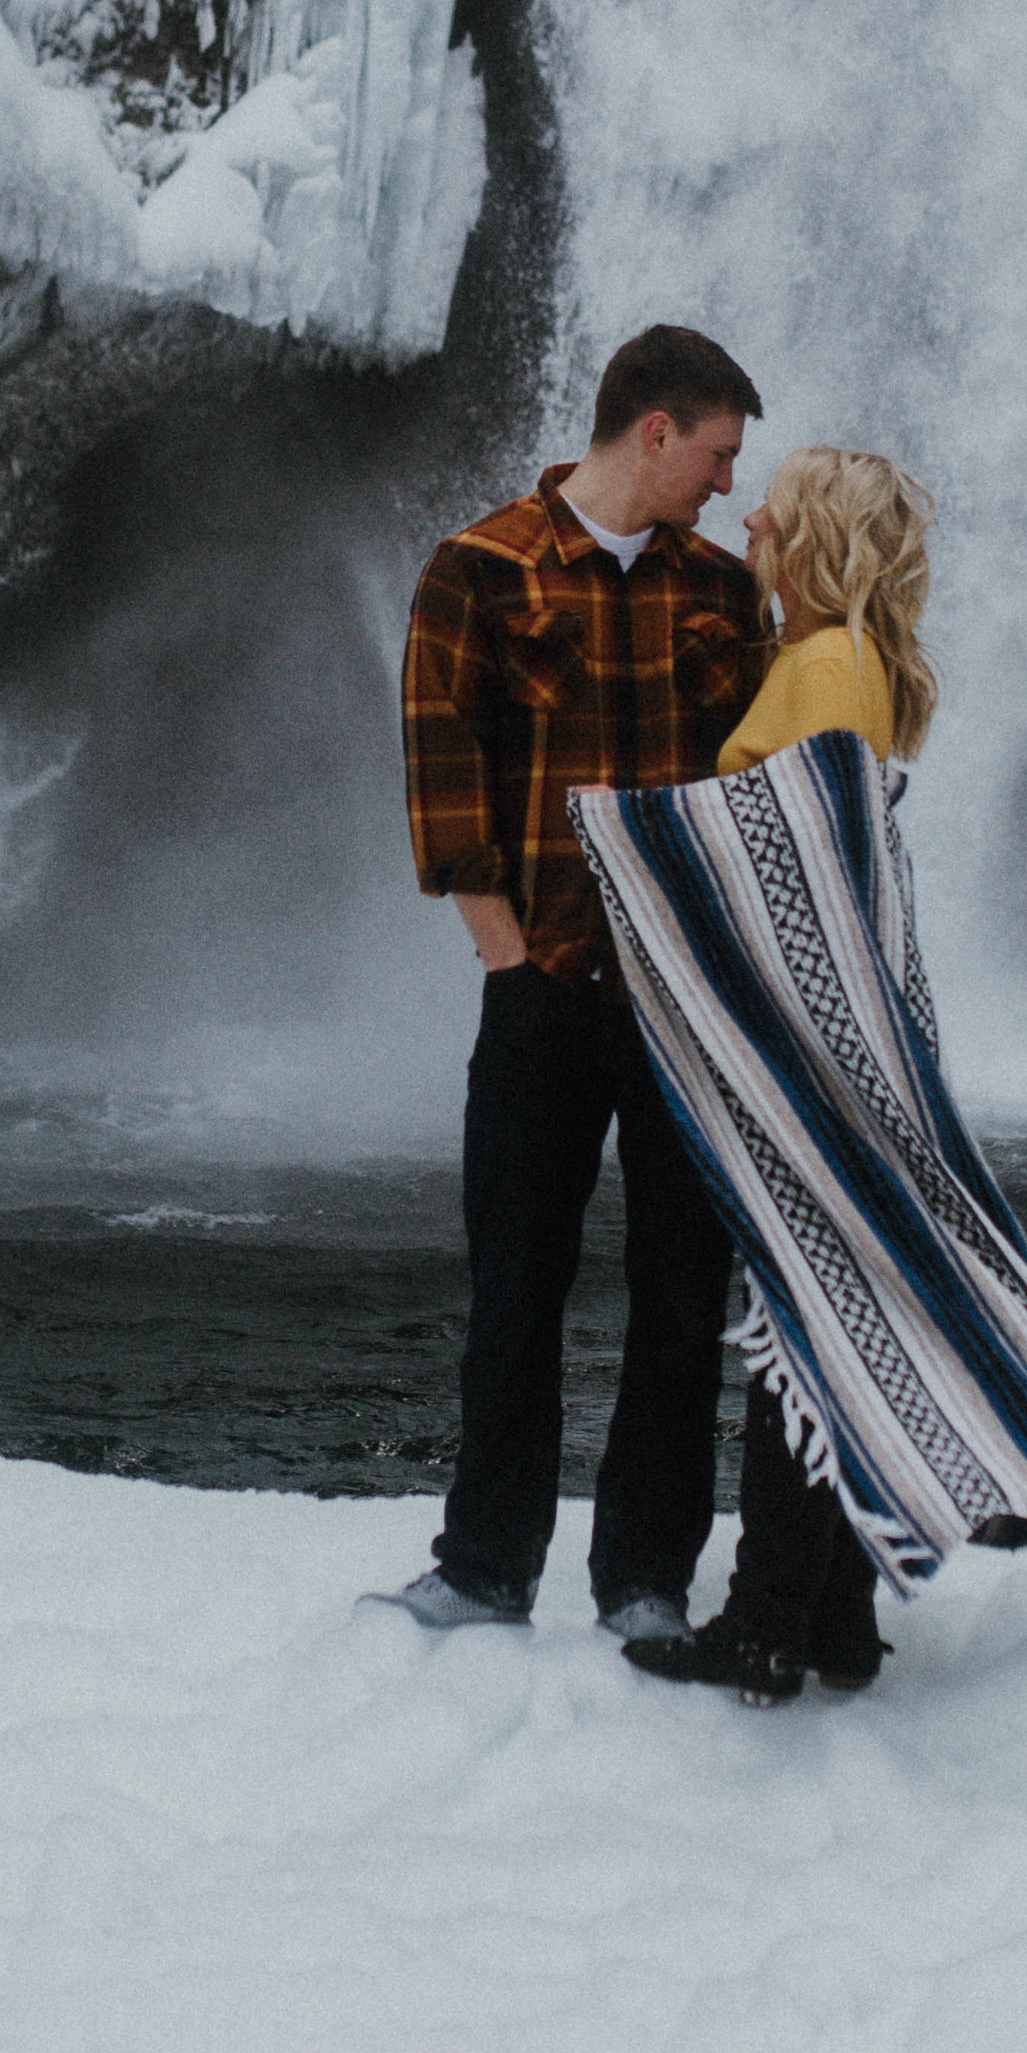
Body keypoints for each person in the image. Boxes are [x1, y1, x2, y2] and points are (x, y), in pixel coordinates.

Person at [363, 324, 773, 1640]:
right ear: (654, 430)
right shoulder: (474, 572)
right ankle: (487, 1566)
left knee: (680, 1295)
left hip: (686, 1004)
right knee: (515, 1287)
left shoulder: (721, 593)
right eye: (716, 453)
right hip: (541, 990)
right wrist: (511, 961)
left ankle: (644, 1577)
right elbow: (442, 785)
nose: (725, 483)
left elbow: (762, 788)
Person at [617, 443, 940, 1705]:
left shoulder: (825, 666)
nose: (746, 513)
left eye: (776, 507)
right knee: (824, 1317)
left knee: (796, 1329)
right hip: (834, 1033)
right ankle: (839, 1621)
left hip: (804, 1041)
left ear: (814, 545)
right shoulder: (837, 661)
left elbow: (796, 860)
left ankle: (761, 1625)